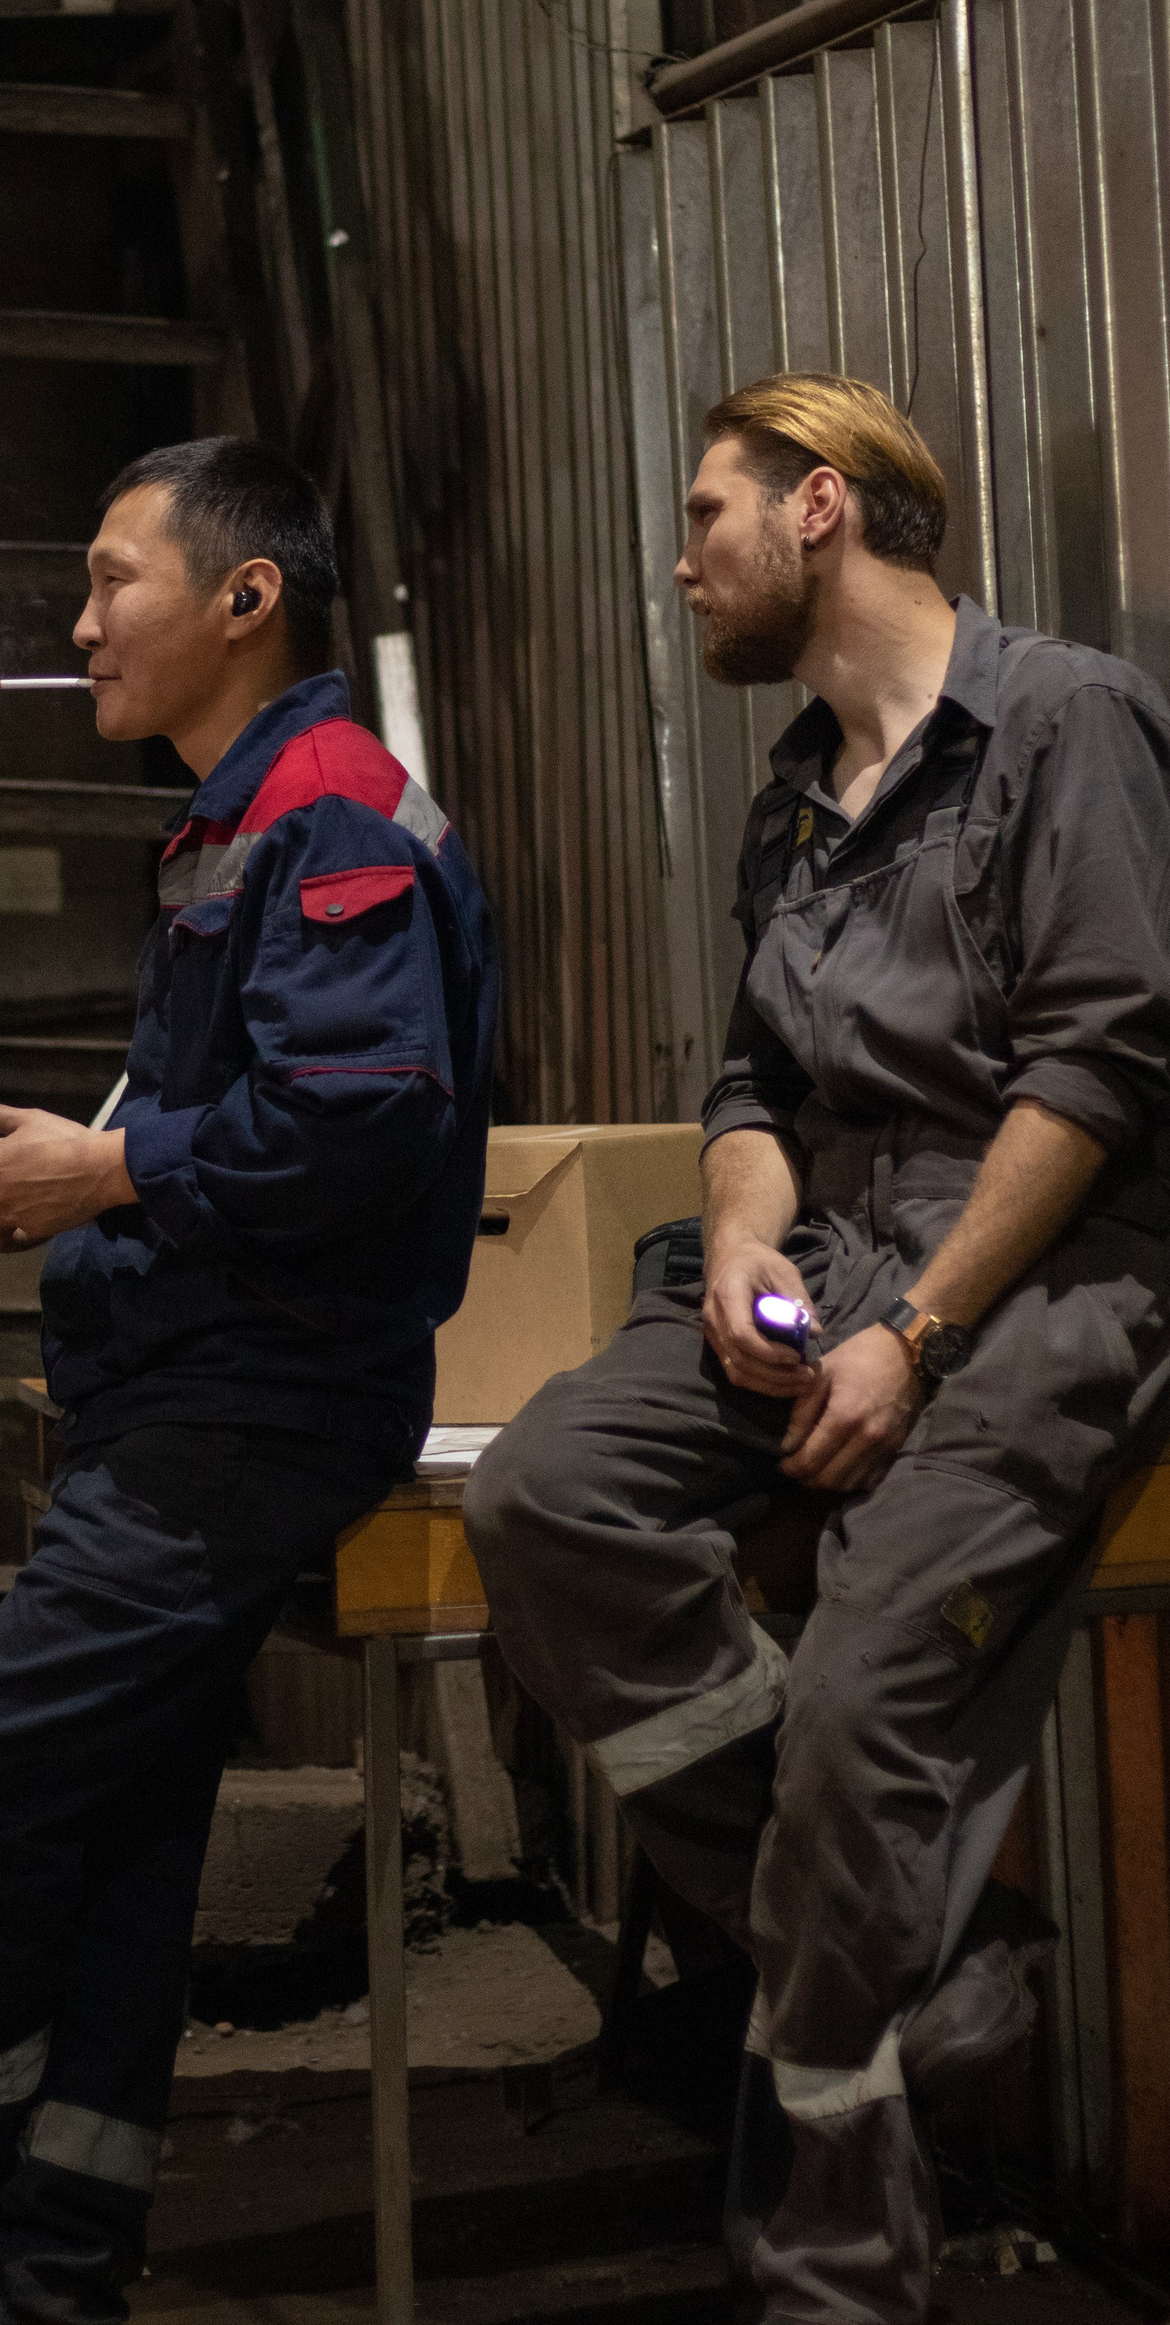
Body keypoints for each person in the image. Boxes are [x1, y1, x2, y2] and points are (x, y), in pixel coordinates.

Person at [465, 372, 1170, 2325]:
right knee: (543, 1500)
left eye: (707, 515)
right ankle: (911, 1950)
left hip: (1034, 1268)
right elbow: (753, 1085)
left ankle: (834, 2278)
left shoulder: (1068, 725)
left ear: (823, 506)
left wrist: (918, 1341)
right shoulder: (794, 795)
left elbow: (1103, 1068)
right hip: (827, 1245)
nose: (682, 562)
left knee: (863, 1714)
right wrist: (743, 1248)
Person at [0, 438, 497, 2325]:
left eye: (113, 579)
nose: (80, 624)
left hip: (256, 1412)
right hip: (190, 1392)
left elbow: (355, 1127)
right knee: (125, 1846)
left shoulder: (329, 814)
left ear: (244, 598)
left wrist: (106, 1172)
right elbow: (258, 1115)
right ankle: (47, 2273)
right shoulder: (237, 818)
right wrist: (74, 1188)